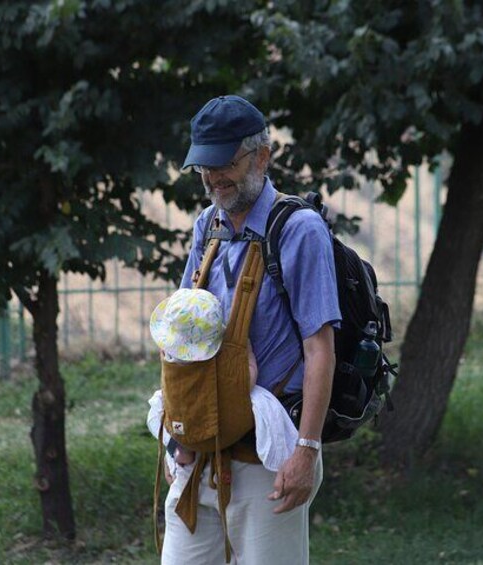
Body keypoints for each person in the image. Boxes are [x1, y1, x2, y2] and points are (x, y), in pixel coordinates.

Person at [160, 95, 340, 564]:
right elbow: (182, 336)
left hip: (268, 458)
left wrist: (306, 452)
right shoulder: (208, 225)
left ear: (262, 156)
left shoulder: (300, 230)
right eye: (204, 166)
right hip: (200, 449)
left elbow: (320, 350)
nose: (214, 177)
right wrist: (179, 434)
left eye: (226, 163)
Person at [146, 288, 298, 472]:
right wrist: (248, 354)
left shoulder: (169, 356)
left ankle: (180, 448)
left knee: (158, 405)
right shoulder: (219, 370)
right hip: (213, 428)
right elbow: (246, 383)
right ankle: (281, 455)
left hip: (180, 421)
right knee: (264, 401)